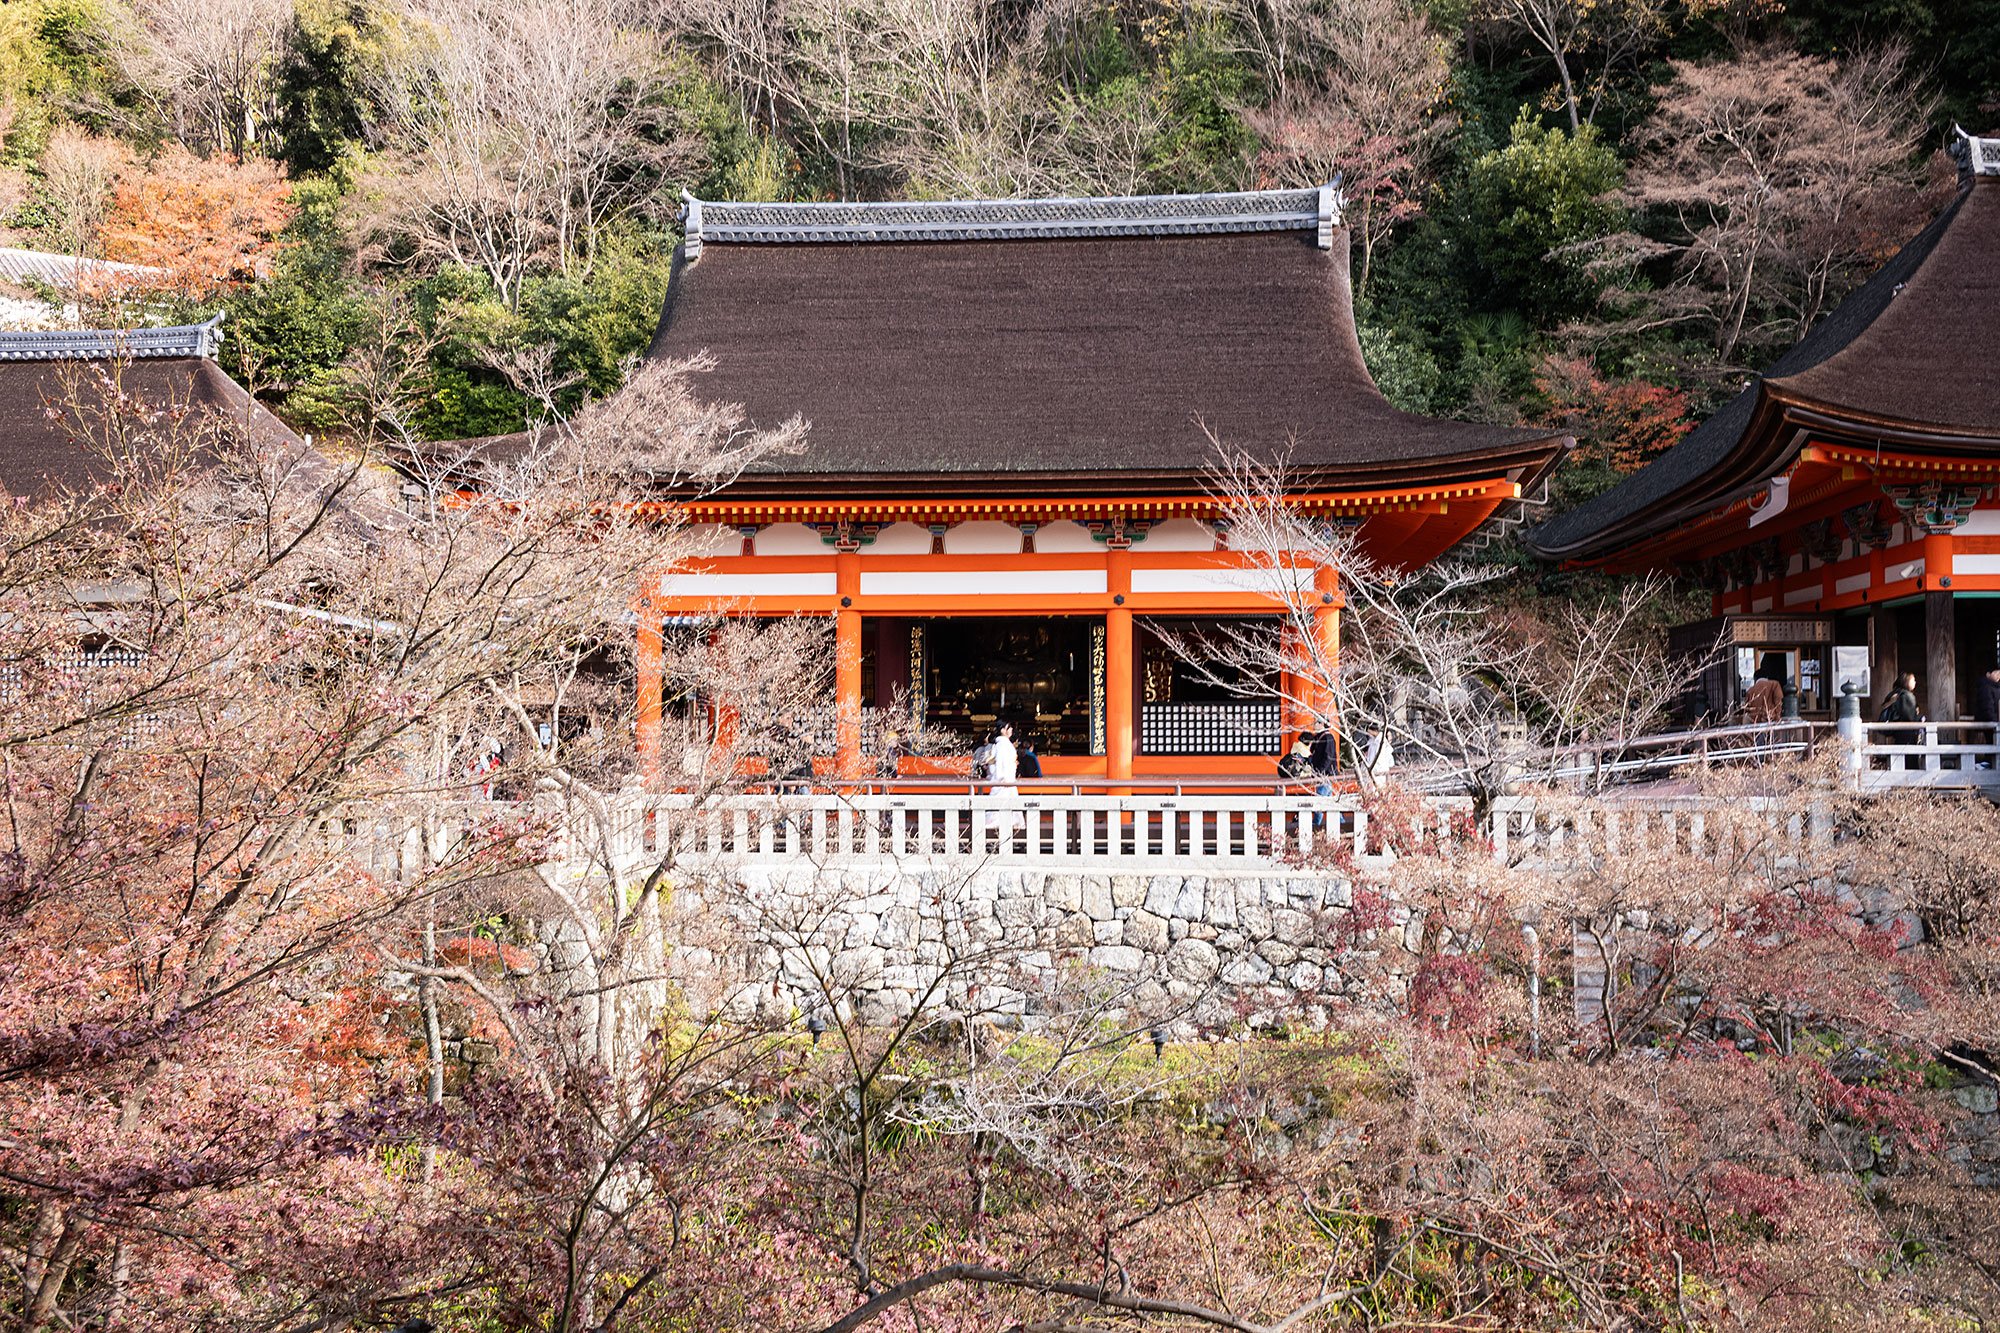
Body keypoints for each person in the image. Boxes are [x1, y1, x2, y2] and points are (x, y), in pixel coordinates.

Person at [979, 721, 1024, 843]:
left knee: (1005, 804)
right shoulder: (1002, 744)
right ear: (1002, 730)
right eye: (1008, 728)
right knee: (1001, 804)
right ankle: (998, 830)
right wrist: (1001, 777)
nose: (1010, 730)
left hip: (1007, 778)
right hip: (1004, 779)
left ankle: (1004, 829)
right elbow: (1000, 762)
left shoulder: (1002, 744)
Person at [1879, 672, 1923, 769]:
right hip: (1907, 732)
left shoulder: (1895, 694)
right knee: (1910, 759)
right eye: (1913, 680)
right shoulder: (1907, 696)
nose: (1915, 682)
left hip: (1897, 731)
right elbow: (1909, 717)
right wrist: (1918, 717)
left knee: (1900, 758)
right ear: (1906, 682)